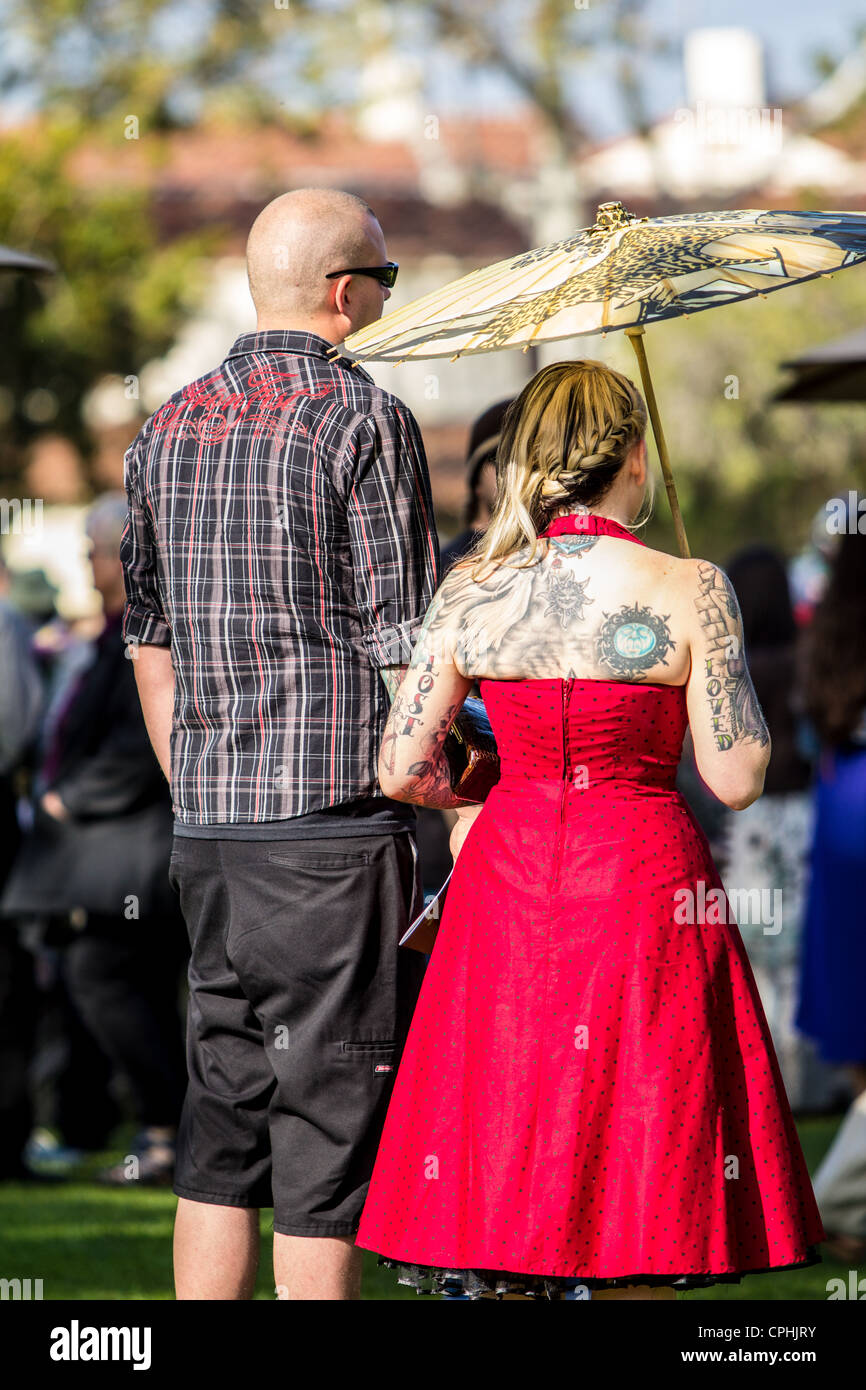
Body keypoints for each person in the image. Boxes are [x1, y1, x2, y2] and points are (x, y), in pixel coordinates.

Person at [356, 359, 824, 1299]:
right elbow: (736, 777)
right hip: (645, 891)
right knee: (643, 1161)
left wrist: (495, 787)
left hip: (508, 885)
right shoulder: (689, 584)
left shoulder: (473, 590)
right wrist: (713, 629)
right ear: (635, 460)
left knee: (512, 1143)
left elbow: (400, 766)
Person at [120, 187, 439, 1300]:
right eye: (386, 279)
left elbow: (147, 644)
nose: (386, 297)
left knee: (222, 1122)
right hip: (332, 835)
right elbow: (410, 649)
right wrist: (447, 789)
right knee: (330, 1128)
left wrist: (196, 780)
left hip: (209, 830)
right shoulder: (366, 420)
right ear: (345, 294)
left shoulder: (166, 422)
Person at [1, 494, 188, 1182]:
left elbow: (142, 742)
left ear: (125, 555)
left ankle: (169, 1129)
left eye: (93, 550)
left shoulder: (144, 635)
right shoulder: (107, 633)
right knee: (106, 982)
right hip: (99, 853)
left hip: (125, 853)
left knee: (106, 977)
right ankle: (164, 1129)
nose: (86, 563)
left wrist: (65, 796)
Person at [720, 545, 849, 1114]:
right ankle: (815, 1083)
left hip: (750, 822)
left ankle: (765, 1080)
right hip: (804, 816)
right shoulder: (804, 663)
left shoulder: (736, 670)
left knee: (756, 954)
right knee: (802, 951)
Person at [795, 518, 866, 1261]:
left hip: (845, 798)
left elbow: (814, 729)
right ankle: (843, 1202)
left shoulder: (832, 633)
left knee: (856, 995)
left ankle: (848, 1200)